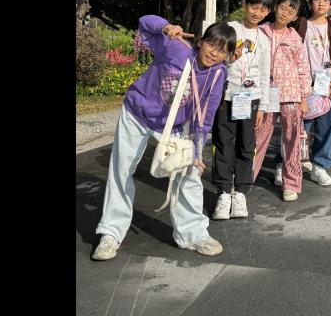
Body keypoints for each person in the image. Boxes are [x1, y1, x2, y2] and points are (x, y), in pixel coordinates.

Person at [92, 17, 236, 261]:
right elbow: (144, 22)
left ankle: (193, 233)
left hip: (174, 125)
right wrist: (166, 27)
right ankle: (111, 233)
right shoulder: (175, 47)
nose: (214, 53)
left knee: (189, 173)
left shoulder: (217, 74)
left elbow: (206, 115)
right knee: (121, 171)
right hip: (137, 113)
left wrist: (197, 152)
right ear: (200, 41)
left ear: (228, 56)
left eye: (222, 50)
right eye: (211, 44)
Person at [211, 0, 273, 220]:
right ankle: (223, 191)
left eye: (263, 10)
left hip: (251, 99)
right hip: (226, 96)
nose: (257, 13)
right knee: (223, 143)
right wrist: (230, 58)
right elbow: (214, 60)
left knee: (247, 145)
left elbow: (265, 74)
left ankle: (241, 192)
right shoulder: (230, 29)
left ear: (267, 12)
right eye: (254, 7)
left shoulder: (264, 39)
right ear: (245, 4)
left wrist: (263, 106)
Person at [252, 0, 312, 201]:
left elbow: (303, 69)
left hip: (291, 95)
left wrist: (304, 97)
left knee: (292, 140)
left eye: (291, 10)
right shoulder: (261, 31)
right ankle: (245, 177)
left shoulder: (295, 38)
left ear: (295, 17)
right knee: (259, 137)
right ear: (275, 6)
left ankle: (291, 183)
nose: (285, 12)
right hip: (265, 95)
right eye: (283, 7)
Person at [290, 0, 331, 186]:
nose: (321, 3)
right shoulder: (300, 25)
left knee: (326, 127)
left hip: (328, 86)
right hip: (304, 86)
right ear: (311, 2)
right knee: (298, 127)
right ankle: (286, 163)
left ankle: (320, 166)